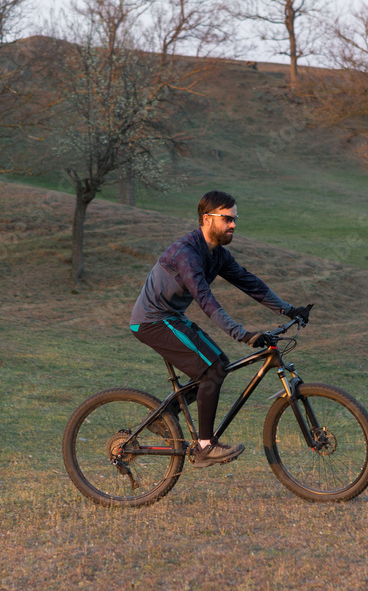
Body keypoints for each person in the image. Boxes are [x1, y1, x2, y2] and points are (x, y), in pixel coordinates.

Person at [129, 190, 311, 469]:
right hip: (152, 321)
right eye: (227, 219)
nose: (234, 225)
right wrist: (242, 334)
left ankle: (162, 418)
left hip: (171, 317)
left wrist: (288, 309)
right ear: (207, 219)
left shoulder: (217, 255)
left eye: (235, 219)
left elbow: (250, 283)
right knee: (212, 370)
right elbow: (206, 301)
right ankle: (204, 448)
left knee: (219, 366)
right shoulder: (186, 254)